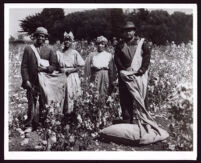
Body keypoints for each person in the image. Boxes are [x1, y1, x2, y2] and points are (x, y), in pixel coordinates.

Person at [114, 21, 151, 123]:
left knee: (142, 98)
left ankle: (145, 121)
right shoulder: (120, 45)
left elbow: (146, 58)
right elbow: (117, 60)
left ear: (134, 31)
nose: (128, 33)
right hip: (125, 76)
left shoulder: (142, 43)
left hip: (139, 75)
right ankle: (127, 120)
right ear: (123, 33)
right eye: (125, 31)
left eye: (130, 30)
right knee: (125, 100)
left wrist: (142, 70)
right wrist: (124, 71)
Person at [21, 27, 57, 129]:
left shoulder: (49, 50)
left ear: (45, 38)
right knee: (31, 103)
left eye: (43, 36)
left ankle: (41, 123)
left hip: (45, 82)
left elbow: (54, 65)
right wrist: (26, 80)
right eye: (39, 36)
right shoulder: (28, 49)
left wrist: (46, 69)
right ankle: (30, 124)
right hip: (32, 81)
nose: (40, 38)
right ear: (35, 36)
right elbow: (24, 66)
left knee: (43, 102)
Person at [56, 31, 85, 115]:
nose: (67, 42)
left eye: (69, 40)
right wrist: (60, 69)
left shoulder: (74, 53)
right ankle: (64, 115)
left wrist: (70, 70)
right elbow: (55, 65)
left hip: (72, 76)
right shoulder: (59, 53)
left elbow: (80, 66)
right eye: (65, 40)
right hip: (62, 76)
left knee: (72, 94)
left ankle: (73, 114)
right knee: (63, 95)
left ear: (71, 41)